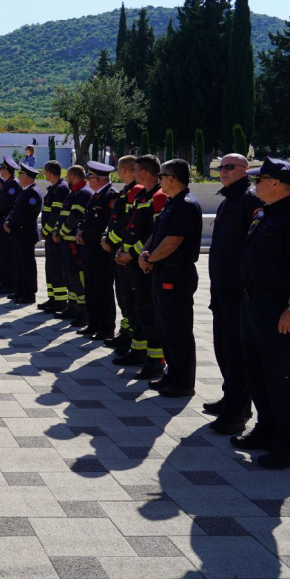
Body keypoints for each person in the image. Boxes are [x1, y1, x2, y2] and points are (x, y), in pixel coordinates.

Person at [231, 157, 290, 469]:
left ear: (276, 183)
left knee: (282, 378)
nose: (255, 184)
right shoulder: (264, 214)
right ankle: (266, 431)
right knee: (257, 373)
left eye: (260, 179)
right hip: (253, 305)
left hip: (278, 308)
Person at [205, 153, 263, 432]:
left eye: (230, 167)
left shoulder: (249, 199)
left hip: (236, 291)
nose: (223, 171)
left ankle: (237, 412)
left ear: (245, 170)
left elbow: (252, 247)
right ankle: (232, 397)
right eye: (221, 167)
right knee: (222, 347)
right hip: (222, 289)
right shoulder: (229, 199)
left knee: (235, 350)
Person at [139, 159, 202, 397]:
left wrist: (150, 258)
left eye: (162, 176)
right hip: (164, 270)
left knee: (178, 328)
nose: (159, 179)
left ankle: (183, 382)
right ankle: (172, 374)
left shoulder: (186, 205)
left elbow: (172, 242)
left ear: (172, 179)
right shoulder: (172, 203)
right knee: (166, 326)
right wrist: (147, 255)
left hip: (176, 273)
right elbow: (158, 235)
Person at [114, 154, 167, 380]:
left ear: (144, 172)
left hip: (143, 264)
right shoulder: (142, 195)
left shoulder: (158, 197)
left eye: (135, 170)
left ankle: (155, 361)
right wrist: (122, 251)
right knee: (136, 309)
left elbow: (152, 234)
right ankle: (138, 350)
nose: (132, 174)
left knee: (148, 311)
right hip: (132, 263)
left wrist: (132, 253)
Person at [102, 156, 139, 355]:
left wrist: (111, 240)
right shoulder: (126, 192)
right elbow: (114, 221)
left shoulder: (134, 193)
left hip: (125, 254)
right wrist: (106, 237)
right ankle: (125, 333)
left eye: (118, 168)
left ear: (124, 170)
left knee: (129, 298)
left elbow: (126, 224)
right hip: (119, 251)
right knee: (123, 296)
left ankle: (131, 338)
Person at [78, 161, 118, 340]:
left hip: (101, 250)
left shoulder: (111, 196)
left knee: (103, 289)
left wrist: (85, 235)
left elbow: (105, 224)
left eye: (90, 177)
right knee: (91, 288)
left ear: (98, 179)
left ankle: (106, 326)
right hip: (89, 249)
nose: (88, 180)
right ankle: (93, 322)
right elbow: (87, 219)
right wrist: (80, 231)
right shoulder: (96, 195)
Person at [56, 165, 92, 328]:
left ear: (72, 177)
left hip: (73, 244)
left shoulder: (83, 193)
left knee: (77, 278)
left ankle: (83, 312)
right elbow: (63, 216)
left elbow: (74, 218)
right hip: (65, 242)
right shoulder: (74, 193)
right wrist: (57, 231)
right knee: (68, 276)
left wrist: (61, 232)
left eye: (68, 176)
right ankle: (72, 307)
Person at [3, 161, 42, 304]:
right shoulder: (26, 191)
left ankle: (29, 294)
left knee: (27, 265)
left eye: (21, 174)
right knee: (19, 264)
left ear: (26, 176)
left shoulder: (33, 193)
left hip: (25, 235)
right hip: (19, 234)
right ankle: (20, 290)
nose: (19, 176)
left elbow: (24, 214)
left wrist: (10, 224)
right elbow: (15, 210)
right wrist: (8, 221)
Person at [39, 161, 69, 314]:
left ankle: (60, 301)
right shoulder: (55, 189)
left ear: (50, 173)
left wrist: (46, 230)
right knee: (50, 268)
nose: (44, 174)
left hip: (55, 236)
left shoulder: (61, 189)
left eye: (45, 172)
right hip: (50, 236)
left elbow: (56, 215)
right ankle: (53, 298)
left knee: (57, 268)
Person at [0, 157, 21, 295]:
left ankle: (10, 284)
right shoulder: (7, 183)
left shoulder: (13, 184)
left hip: (4, 222)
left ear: (6, 170)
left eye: (1, 169)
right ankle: (4, 281)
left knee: (7, 256)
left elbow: (6, 204)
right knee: (2, 254)